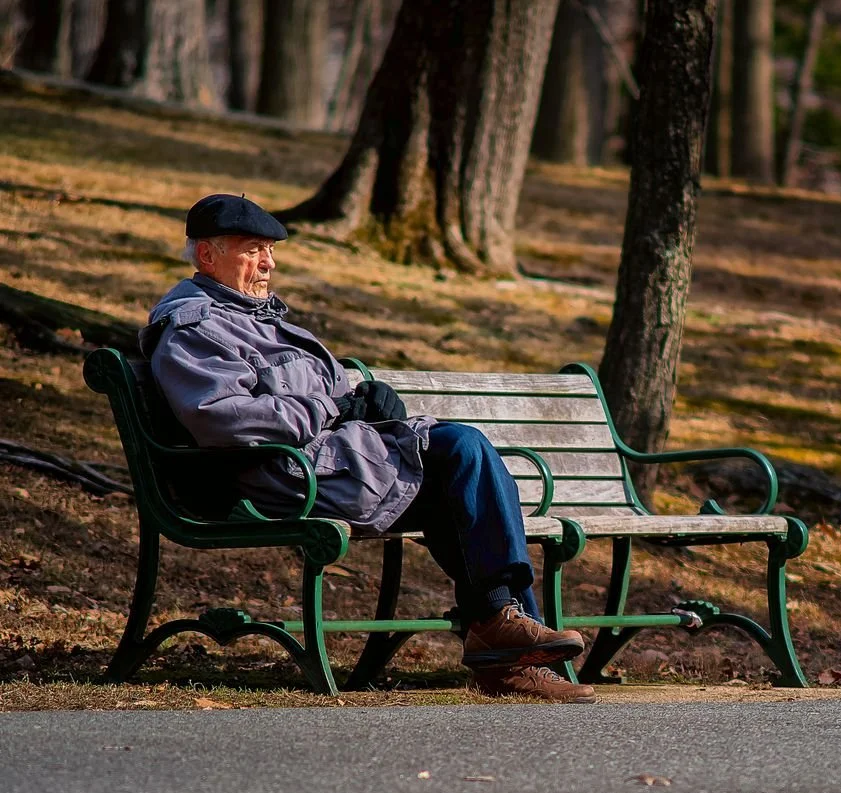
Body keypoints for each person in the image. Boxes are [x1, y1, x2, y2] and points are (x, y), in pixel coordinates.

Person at [140, 194, 595, 703]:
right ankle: (504, 635)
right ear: (207, 255)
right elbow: (222, 418)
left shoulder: (261, 317)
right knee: (461, 453)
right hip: (285, 478)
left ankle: (503, 636)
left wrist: (366, 399)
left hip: (333, 464)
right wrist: (331, 411)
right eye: (253, 250)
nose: (268, 263)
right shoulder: (196, 328)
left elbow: (324, 391)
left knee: (465, 460)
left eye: (270, 250)